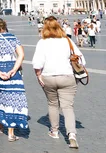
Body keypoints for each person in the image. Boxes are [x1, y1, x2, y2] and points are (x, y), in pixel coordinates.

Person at [32, 16, 84, 149]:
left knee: (53, 104)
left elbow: (37, 64)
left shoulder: (42, 42)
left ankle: (54, 131)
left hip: (48, 77)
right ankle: (72, 135)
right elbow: (82, 60)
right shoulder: (67, 40)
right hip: (67, 77)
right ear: (59, 26)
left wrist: (39, 76)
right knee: (67, 107)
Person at [0, 18, 28, 142]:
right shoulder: (13, 38)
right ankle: (8, 131)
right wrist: (14, 70)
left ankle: (1, 124)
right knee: (13, 99)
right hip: (13, 73)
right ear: (5, 25)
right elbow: (21, 55)